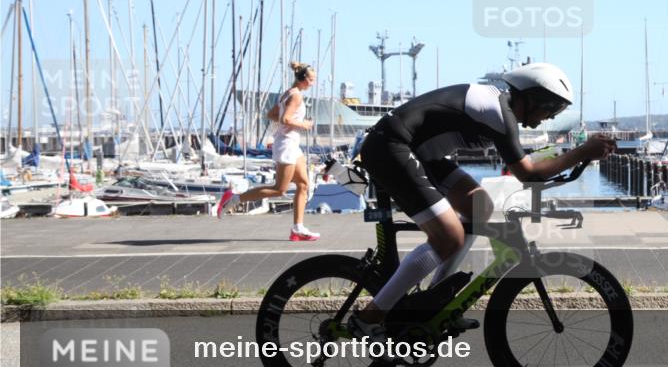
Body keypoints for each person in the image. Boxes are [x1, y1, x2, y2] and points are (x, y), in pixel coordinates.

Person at [349, 63, 616, 340]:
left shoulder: (501, 110)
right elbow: (528, 174)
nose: (550, 117)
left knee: (479, 207)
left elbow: (527, 166)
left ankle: (436, 302)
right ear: (533, 98)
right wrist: (582, 151)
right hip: (391, 148)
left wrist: (578, 154)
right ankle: (368, 319)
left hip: (418, 153)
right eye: (551, 109)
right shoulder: (499, 114)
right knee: (448, 237)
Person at [217, 62, 320, 241]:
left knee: (304, 185)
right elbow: (285, 118)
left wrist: (287, 123)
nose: (313, 83)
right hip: (287, 145)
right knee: (279, 189)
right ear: (303, 79)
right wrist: (303, 124)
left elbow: (272, 115)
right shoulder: (296, 96)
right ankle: (234, 199)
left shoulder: (287, 93)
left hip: (291, 144)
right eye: (311, 80)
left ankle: (297, 229)